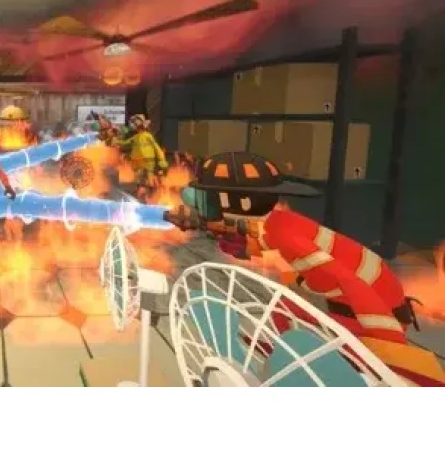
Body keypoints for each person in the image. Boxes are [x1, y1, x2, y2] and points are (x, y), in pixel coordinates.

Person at [168, 150, 445, 387]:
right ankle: (280, 350)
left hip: (369, 308)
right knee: (283, 308)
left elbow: (351, 282)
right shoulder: (277, 221)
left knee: (350, 367)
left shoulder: (284, 234)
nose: (203, 205)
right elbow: (246, 233)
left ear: (240, 201)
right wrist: (205, 226)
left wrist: (392, 347)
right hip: (349, 301)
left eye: (209, 199)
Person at [118, 114, 169, 196]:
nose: (134, 125)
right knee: (139, 179)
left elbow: (157, 148)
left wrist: (162, 160)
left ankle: (153, 193)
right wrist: (116, 142)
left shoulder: (148, 136)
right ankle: (142, 192)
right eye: (134, 123)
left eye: (136, 123)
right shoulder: (135, 137)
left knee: (149, 178)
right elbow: (125, 143)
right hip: (138, 162)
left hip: (148, 162)